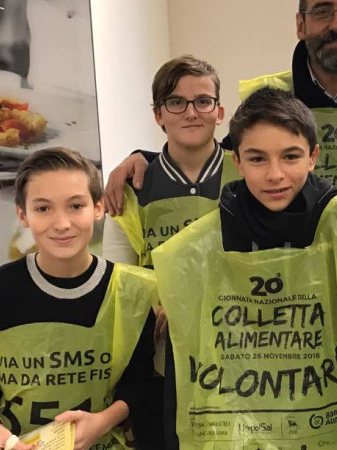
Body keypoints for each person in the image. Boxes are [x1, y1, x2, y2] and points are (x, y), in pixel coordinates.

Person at [151, 88, 337, 449]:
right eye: (257, 159)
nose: (275, 174)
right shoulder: (195, 249)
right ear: (237, 161)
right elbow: (184, 371)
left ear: (313, 157)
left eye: (291, 156)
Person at [102, 0, 337, 215]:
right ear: (300, 25)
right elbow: (224, 158)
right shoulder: (269, 97)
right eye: (322, 11)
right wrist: (149, 160)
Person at [0, 147, 158, 450]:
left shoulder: (129, 293)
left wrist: (103, 421)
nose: (62, 223)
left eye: (75, 206)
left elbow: (140, 379)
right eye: (43, 208)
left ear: (98, 208)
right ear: (23, 214)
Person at [104, 55, 238, 449]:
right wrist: (153, 302)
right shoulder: (133, 187)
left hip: (236, 348)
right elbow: (118, 274)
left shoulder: (246, 174)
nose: (191, 112)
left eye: (203, 101)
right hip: (160, 356)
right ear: (158, 114)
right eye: (176, 102)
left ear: (220, 112)